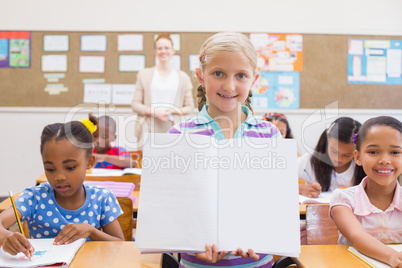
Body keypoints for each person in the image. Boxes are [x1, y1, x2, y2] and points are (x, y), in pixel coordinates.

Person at [169, 32, 281, 268]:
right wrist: (191, 244)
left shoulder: (269, 135)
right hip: (196, 264)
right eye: (218, 73)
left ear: (254, 79)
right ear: (200, 75)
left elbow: (276, 206)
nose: (229, 85)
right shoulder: (179, 136)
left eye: (241, 75)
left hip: (256, 263)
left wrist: (262, 238)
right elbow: (170, 209)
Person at [0, 115, 124, 259]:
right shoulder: (34, 197)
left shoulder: (102, 198)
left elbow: (120, 244)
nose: (59, 177)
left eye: (70, 167)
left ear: (89, 162)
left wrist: (92, 231)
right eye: (50, 169)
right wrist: (7, 236)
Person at [330, 116, 402, 267]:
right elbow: (358, 236)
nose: (384, 160)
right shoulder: (344, 200)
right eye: (373, 152)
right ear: (358, 157)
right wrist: (392, 257)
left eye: (395, 152)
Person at [131, 33, 195, 149]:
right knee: (146, 163)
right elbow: (135, 104)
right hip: (148, 127)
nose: (163, 51)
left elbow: (190, 107)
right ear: (155, 51)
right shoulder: (144, 75)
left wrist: (171, 111)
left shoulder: (183, 77)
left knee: (173, 163)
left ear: (173, 50)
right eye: (160, 48)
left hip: (173, 127)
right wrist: (156, 112)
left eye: (167, 48)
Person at [298, 117, 366, 198]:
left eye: (347, 155)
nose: (338, 159)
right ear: (328, 140)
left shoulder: (364, 165)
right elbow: (281, 180)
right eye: (334, 151)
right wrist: (301, 188)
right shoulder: (309, 161)